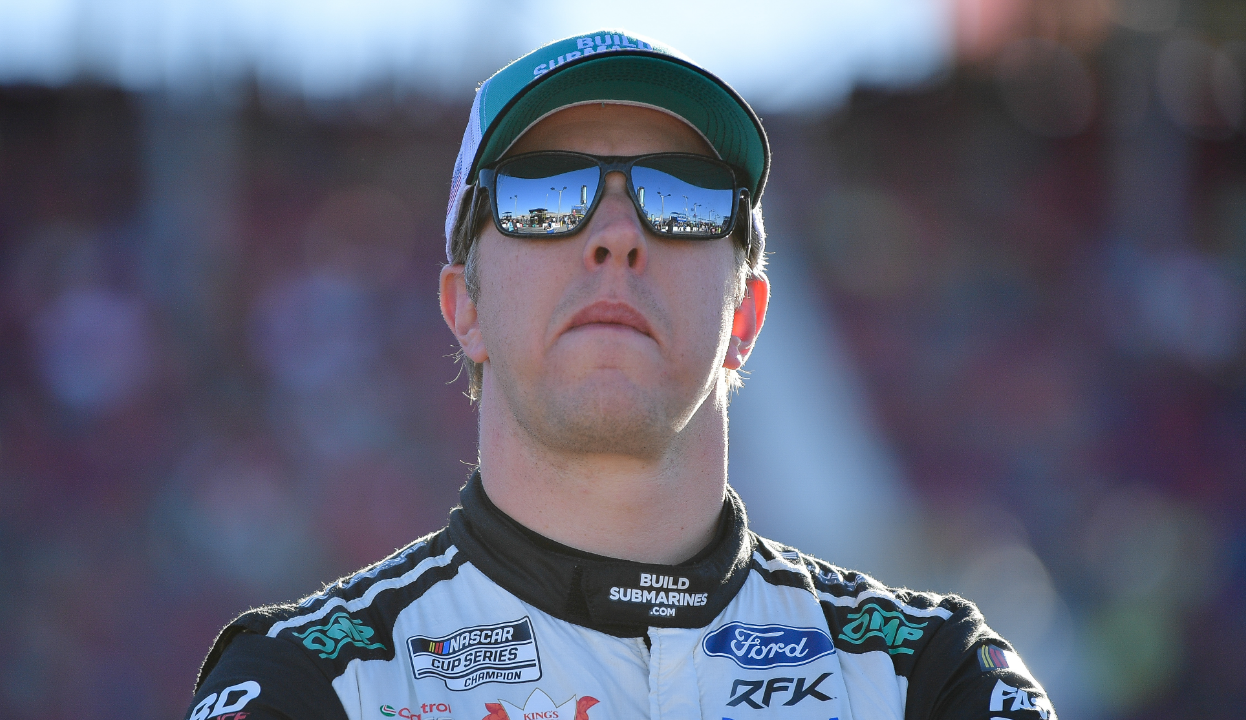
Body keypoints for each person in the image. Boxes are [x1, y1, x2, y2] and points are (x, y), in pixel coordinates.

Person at [185, 29, 1056, 720]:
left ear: (745, 318)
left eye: (682, 196)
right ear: (465, 307)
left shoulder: (928, 678)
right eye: (542, 194)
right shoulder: (311, 684)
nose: (615, 236)